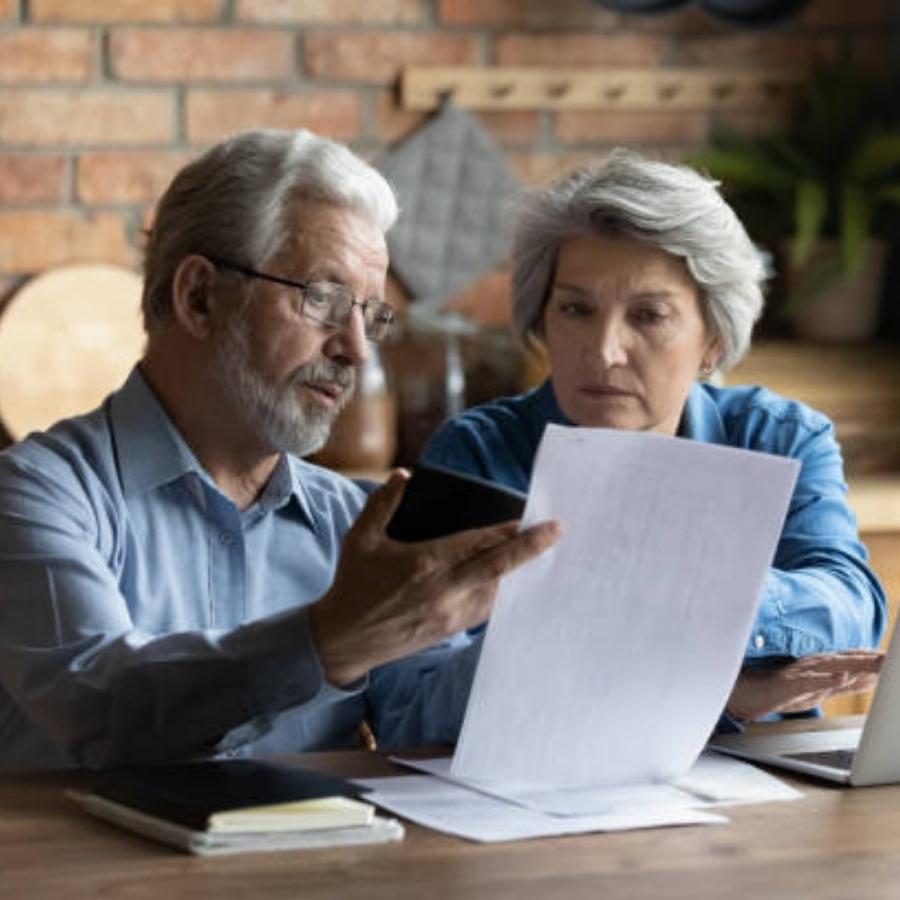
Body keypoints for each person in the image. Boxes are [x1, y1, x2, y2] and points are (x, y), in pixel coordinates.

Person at [0, 129, 559, 771]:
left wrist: (545, 629)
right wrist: (326, 642)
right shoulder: (35, 494)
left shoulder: (353, 519)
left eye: (371, 315)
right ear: (200, 297)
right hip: (90, 871)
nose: (356, 349)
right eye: (322, 300)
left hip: (313, 870)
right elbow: (99, 709)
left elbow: (419, 717)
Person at [421, 149, 886, 724]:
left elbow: (851, 605)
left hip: (756, 789)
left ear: (713, 341)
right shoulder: (474, 455)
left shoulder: (780, 438)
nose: (604, 351)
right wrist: (705, 685)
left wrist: (683, 597)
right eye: (575, 309)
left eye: (648, 316)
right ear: (541, 321)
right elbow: (416, 702)